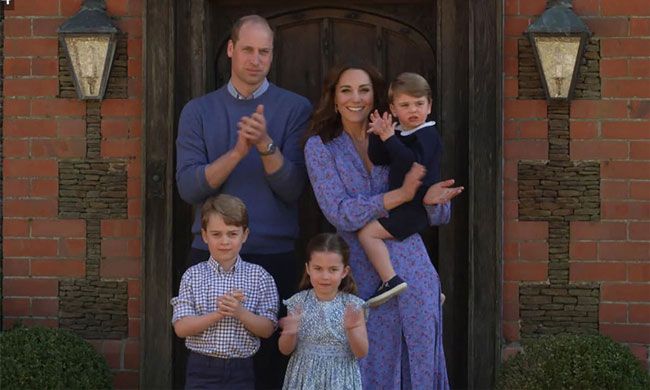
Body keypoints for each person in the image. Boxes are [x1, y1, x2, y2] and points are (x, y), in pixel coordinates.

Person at [303, 63, 463, 389]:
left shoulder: (401, 136)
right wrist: (399, 196)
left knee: (421, 358)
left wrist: (430, 199)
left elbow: (438, 212)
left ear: (375, 96)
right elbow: (340, 213)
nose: (356, 98)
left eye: (364, 90)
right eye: (346, 90)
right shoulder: (320, 147)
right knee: (371, 361)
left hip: (413, 265)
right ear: (333, 99)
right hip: (362, 271)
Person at [175, 14, 312, 388]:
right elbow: (188, 188)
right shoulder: (198, 111)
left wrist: (266, 146)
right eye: (248, 49)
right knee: (209, 362)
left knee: (272, 369)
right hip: (212, 255)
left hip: (275, 256)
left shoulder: (295, 108)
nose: (256, 59)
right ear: (231, 50)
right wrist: (237, 152)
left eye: (264, 52)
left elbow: (294, 188)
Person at [171, 194, 279, 389]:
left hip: (242, 368)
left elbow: (268, 329)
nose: (225, 241)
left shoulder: (260, 276)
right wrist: (218, 314)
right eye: (216, 234)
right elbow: (181, 328)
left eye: (232, 233)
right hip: (201, 367)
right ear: (204, 235)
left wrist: (240, 312)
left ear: (244, 235)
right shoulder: (193, 276)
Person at [359, 72, 446, 307]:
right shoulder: (400, 133)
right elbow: (379, 158)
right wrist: (379, 134)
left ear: (429, 106)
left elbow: (412, 163)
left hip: (415, 207)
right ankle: (430, 288)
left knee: (368, 233)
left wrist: (389, 137)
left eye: (419, 104)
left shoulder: (428, 134)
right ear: (394, 109)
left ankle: (390, 280)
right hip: (402, 205)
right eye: (405, 105)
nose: (413, 110)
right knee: (404, 247)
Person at [278, 233, 367, 390]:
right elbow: (285, 350)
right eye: (318, 268)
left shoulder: (353, 305)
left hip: (340, 378)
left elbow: (361, 352)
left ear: (344, 272)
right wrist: (290, 332)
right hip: (304, 377)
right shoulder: (298, 302)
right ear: (308, 269)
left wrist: (352, 330)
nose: (325, 276)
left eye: (333, 269)